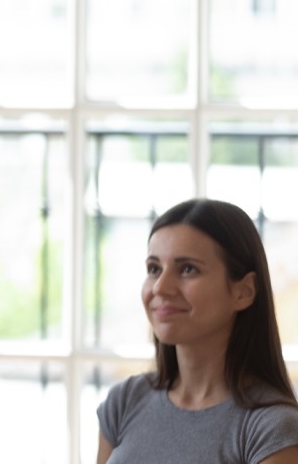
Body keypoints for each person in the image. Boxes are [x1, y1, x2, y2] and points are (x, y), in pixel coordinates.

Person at [96, 198, 298, 464]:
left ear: (244, 291)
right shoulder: (124, 402)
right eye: (154, 269)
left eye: (187, 269)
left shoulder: (271, 428)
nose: (160, 287)